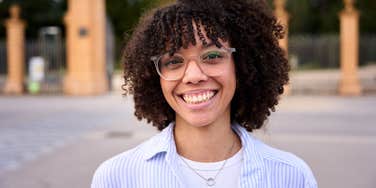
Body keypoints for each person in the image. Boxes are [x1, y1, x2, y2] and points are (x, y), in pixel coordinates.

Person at [91, 0, 317, 187]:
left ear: (241, 65)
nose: (193, 75)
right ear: (154, 76)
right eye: (173, 61)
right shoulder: (116, 178)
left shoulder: (292, 177)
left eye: (211, 56)